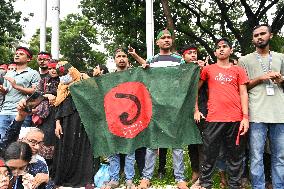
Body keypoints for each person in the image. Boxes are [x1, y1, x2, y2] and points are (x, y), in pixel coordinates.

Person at [194, 38, 249, 189]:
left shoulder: (238, 70)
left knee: (235, 156)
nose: (222, 49)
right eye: (219, 47)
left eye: (225, 46)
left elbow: (244, 94)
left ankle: (234, 185)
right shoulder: (208, 69)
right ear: (215, 52)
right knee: (209, 154)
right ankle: (205, 184)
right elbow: (194, 89)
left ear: (230, 50)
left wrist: (245, 117)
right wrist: (196, 109)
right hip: (213, 118)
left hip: (236, 118)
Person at [138, 29, 188, 189]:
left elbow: (185, 80)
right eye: (163, 38)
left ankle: (180, 178)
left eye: (169, 37)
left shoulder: (180, 60)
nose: (166, 40)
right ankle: (146, 177)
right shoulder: (151, 60)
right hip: (155, 107)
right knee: (152, 143)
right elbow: (143, 82)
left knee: (177, 143)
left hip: (174, 107)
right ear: (157, 42)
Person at [239, 24, 284, 189]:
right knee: (256, 155)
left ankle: (279, 186)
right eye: (256, 35)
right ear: (253, 39)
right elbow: (242, 87)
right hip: (256, 113)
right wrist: (261, 78)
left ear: (270, 35)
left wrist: (281, 80)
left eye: (263, 33)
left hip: (279, 113)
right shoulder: (244, 60)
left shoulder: (281, 57)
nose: (259, 37)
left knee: (279, 156)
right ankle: (258, 186)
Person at [51, 61, 94, 187]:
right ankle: (64, 177)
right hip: (65, 123)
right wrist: (57, 124)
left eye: (65, 72)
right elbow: (58, 106)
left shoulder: (84, 79)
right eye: (60, 73)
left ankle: (84, 178)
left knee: (82, 148)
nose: (63, 75)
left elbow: (94, 97)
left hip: (83, 121)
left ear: (71, 69)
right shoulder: (61, 87)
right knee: (66, 147)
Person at [100, 49, 136, 189]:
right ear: (114, 60)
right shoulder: (108, 78)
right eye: (118, 56)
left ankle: (129, 180)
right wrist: (97, 79)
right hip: (113, 119)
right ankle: (114, 179)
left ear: (128, 59)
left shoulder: (135, 75)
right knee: (113, 150)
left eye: (124, 56)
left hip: (131, 118)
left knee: (129, 150)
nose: (121, 59)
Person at [0, 47, 40, 142]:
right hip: (5, 111)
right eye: (16, 53)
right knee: (2, 141)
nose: (17, 55)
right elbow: (6, 91)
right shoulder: (9, 73)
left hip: (21, 112)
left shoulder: (33, 73)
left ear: (28, 59)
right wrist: (2, 89)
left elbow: (36, 92)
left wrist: (16, 86)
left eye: (21, 54)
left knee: (19, 142)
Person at [180, 44, 206, 184]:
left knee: (201, 143)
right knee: (191, 142)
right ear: (183, 57)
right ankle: (195, 172)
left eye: (195, 53)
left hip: (201, 109)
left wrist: (201, 71)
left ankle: (202, 176)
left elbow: (196, 90)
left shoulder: (202, 68)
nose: (193, 55)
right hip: (186, 111)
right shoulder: (181, 71)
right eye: (189, 53)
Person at [34, 61, 60, 170]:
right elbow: (37, 94)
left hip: (58, 113)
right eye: (50, 68)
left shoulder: (64, 80)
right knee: (43, 138)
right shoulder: (43, 80)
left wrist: (54, 96)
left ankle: (54, 171)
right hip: (44, 115)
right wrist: (46, 95)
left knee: (56, 141)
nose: (53, 70)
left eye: (55, 68)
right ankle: (43, 168)